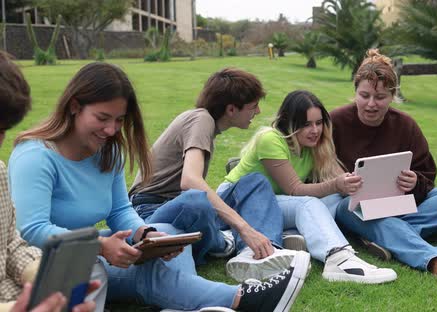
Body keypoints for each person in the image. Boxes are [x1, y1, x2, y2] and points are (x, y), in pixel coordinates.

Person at [9, 62, 310, 311]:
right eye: (102, 118)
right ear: (74, 107)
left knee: (167, 235)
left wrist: (147, 235)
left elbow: (119, 210)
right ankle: (243, 300)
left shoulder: (109, 151)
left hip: (88, 249)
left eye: (119, 120)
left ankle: (206, 301)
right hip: (45, 263)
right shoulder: (36, 155)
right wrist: (100, 245)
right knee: (150, 273)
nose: (112, 130)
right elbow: (31, 230)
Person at [128, 68, 301, 282]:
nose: (257, 111)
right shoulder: (201, 120)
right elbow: (190, 181)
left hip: (175, 206)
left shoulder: (206, 124)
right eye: (253, 106)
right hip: (150, 210)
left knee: (255, 182)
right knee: (196, 200)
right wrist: (244, 227)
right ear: (231, 109)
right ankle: (224, 242)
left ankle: (259, 252)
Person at [225, 90, 398, 284]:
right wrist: (335, 185)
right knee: (307, 204)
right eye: (306, 124)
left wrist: (356, 184)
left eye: (318, 123)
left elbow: (340, 179)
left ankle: (293, 238)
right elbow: (295, 190)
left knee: (335, 199)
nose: (315, 130)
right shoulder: (271, 139)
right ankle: (338, 260)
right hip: (237, 202)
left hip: (272, 208)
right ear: (288, 122)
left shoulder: (314, 146)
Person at [328, 49, 437, 280]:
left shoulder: (406, 125)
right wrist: (341, 183)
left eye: (380, 97)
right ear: (355, 92)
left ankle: (383, 236)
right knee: (346, 208)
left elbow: (428, 176)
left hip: (399, 205)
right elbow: (316, 170)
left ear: (393, 96)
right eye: (364, 96)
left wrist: (415, 181)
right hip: (357, 207)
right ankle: (432, 259)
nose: (371, 104)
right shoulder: (335, 121)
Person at [0, 51, 98, 312]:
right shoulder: (36, 155)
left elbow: (11, 245)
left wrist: (45, 278)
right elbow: (33, 227)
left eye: (1, 131)